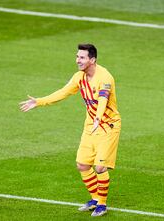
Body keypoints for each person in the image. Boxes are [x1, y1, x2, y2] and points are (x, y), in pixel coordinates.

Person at [20, 44, 120, 217]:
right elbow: (63, 92)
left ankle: (102, 205)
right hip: (90, 125)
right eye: (77, 56)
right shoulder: (79, 77)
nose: (77, 60)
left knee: (100, 167)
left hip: (108, 126)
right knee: (82, 164)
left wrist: (98, 118)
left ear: (92, 60)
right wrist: (39, 101)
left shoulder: (105, 77)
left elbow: (103, 99)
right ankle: (95, 198)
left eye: (82, 57)